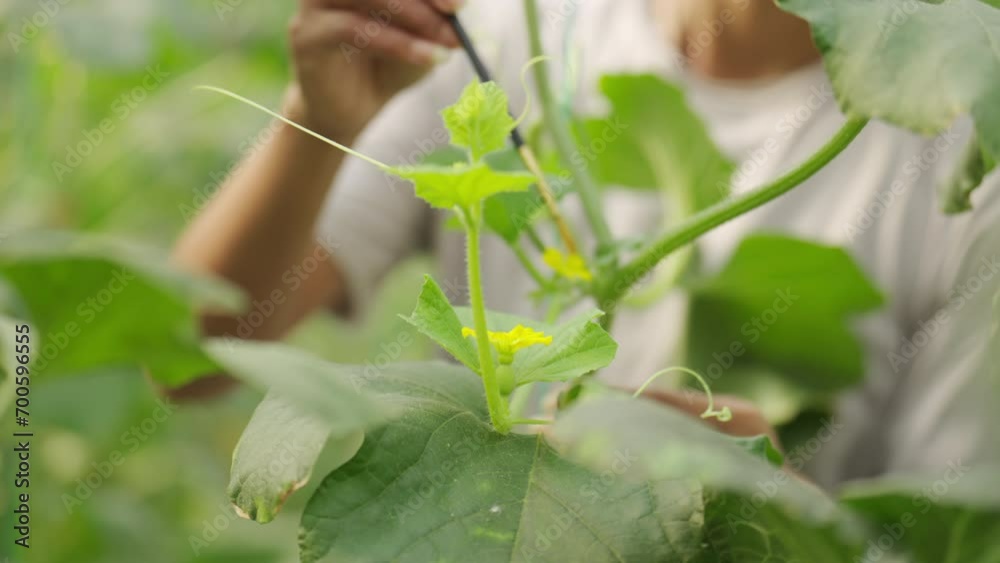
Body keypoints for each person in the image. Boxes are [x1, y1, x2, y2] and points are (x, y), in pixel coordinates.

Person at [173, 0, 1000, 489]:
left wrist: (774, 506)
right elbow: (191, 354)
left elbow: (944, 530)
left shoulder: (965, 158)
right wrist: (322, 117)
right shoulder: (502, 31)